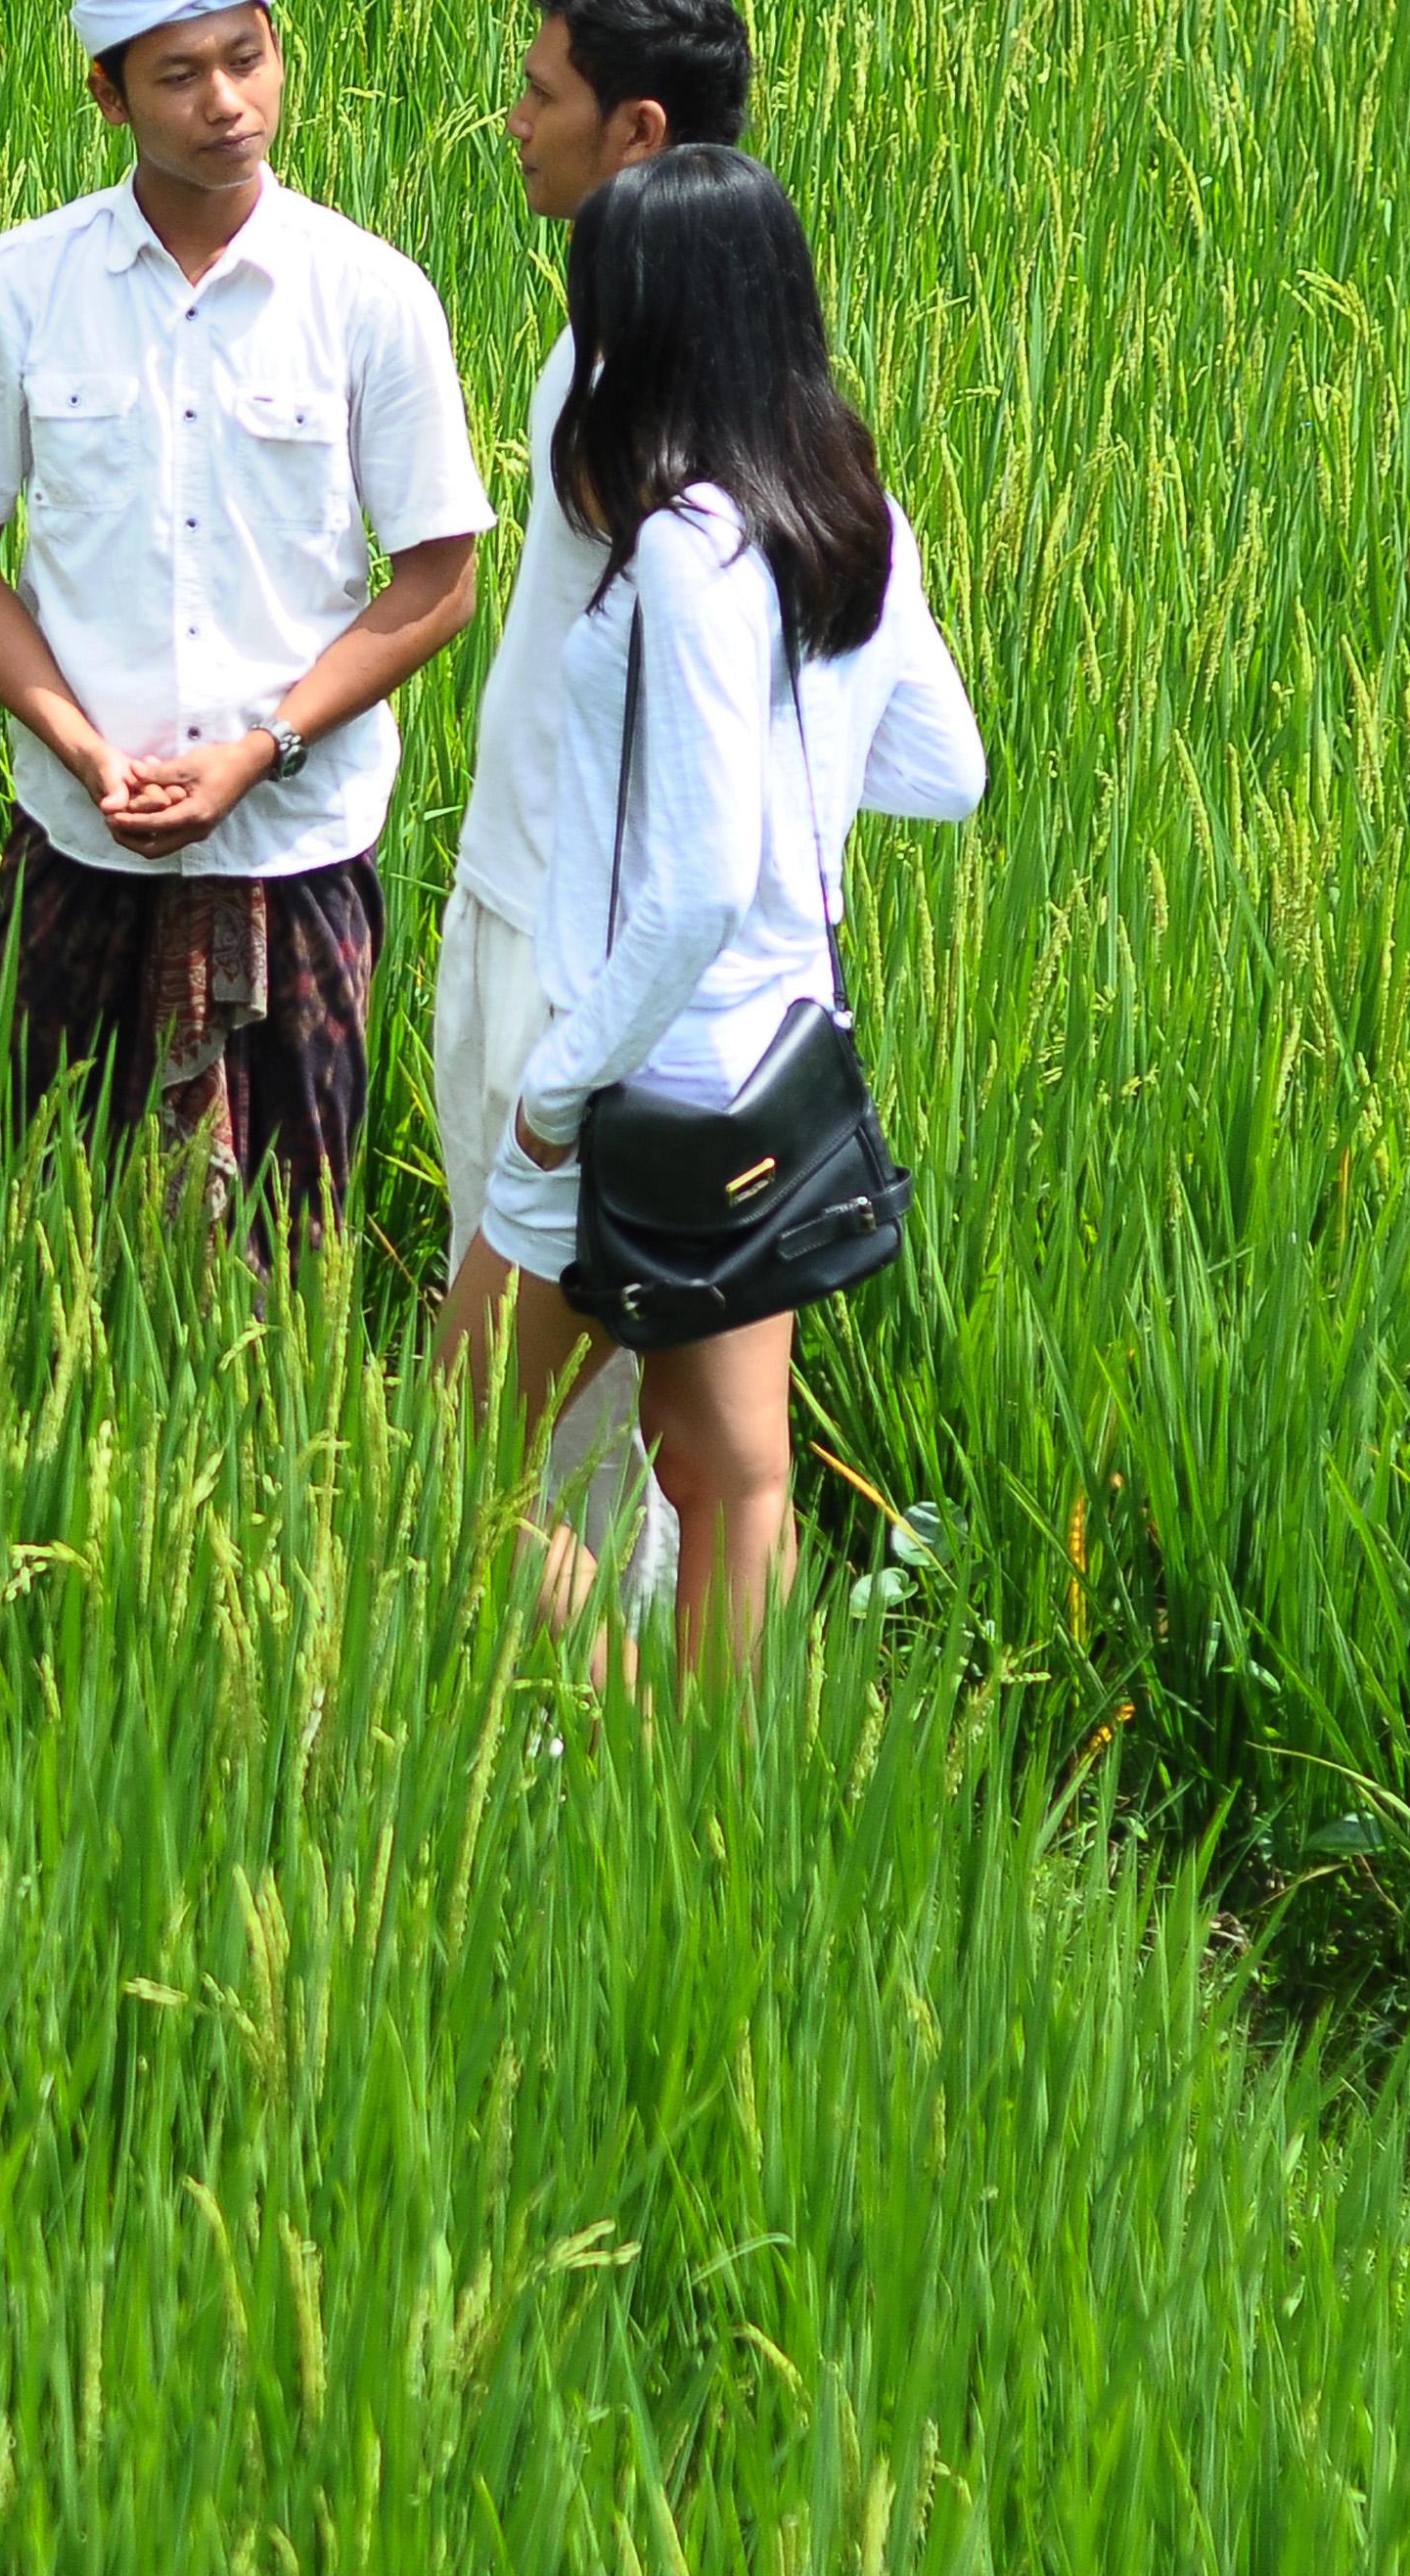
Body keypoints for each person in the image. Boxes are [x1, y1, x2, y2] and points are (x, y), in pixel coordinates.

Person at [441, 149, 988, 1676]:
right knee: (737, 1482)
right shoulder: (848, 502)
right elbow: (949, 769)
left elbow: (685, 889)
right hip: (777, 1080)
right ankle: (715, 1807)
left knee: (454, 1466)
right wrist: (786, 774)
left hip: (638, 1090)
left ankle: (622, 1719)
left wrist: (554, 1097)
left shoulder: (687, 549)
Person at [0, 0, 492, 1243]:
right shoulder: (17, 289)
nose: (229, 102)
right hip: (77, 835)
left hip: (298, 843)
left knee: (292, 1244)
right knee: (37, 1220)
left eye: (248, 56)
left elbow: (439, 581)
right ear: (104, 93)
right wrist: (82, 749)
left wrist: (258, 751)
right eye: (180, 73)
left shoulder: (370, 294)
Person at [441, 0, 755, 1621]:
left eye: (540, 93)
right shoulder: (635, 332)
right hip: (530, 910)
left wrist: (581, 1047)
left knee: (529, 1436)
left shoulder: (664, 379)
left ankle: (599, 1748)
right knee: (562, 1420)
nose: (512, 121)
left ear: (631, 134)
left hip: (581, 963)